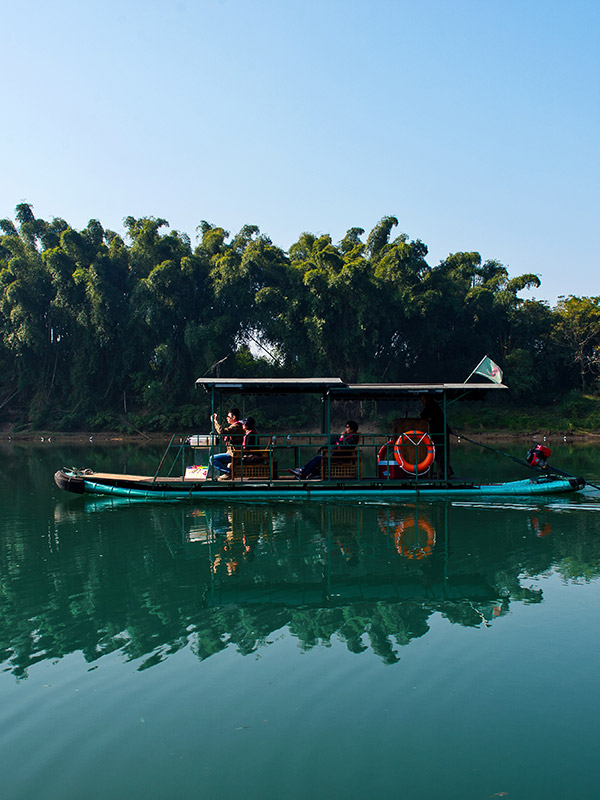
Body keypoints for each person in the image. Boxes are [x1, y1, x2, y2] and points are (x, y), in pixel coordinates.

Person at [288, 421, 360, 479]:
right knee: (332, 440)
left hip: (342, 456)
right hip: (336, 454)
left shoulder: (354, 437)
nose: (345, 429)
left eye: (347, 427)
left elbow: (344, 447)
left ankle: (302, 473)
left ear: (352, 429)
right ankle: (303, 471)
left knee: (317, 459)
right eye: (345, 427)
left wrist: (341, 438)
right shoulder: (348, 436)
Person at [419, 395, 454, 478]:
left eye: (423, 400)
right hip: (437, 432)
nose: (423, 402)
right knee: (439, 452)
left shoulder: (432, 406)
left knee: (440, 452)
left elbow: (423, 414)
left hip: (440, 432)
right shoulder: (433, 406)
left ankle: (445, 471)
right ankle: (445, 470)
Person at [216, 416, 260, 481]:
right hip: (245, 454)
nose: (242, 425)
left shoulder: (251, 435)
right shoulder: (249, 433)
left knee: (214, 459)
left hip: (250, 456)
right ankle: (229, 473)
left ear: (247, 425)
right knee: (230, 462)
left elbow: (248, 448)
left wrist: (239, 452)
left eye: (244, 424)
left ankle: (229, 473)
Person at [209, 408, 244, 478]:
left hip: (234, 453)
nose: (227, 418)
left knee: (212, 459)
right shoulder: (235, 426)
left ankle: (228, 472)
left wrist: (215, 422)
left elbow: (222, 432)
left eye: (228, 416)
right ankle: (227, 472)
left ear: (233, 417)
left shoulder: (236, 426)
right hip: (231, 452)